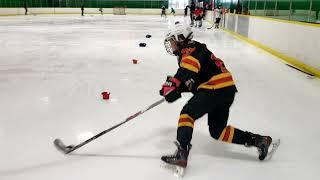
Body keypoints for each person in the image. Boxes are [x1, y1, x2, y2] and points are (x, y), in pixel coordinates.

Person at [160, 21, 273, 170]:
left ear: (180, 37)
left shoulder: (189, 49)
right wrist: (176, 88)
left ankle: (182, 154)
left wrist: (174, 81)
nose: (171, 45)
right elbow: (193, 78)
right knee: (218, 131)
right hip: (226, 90)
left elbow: (189, 67)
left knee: (187, 114)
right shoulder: (193, 50)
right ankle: (258, 140)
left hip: (214, 87)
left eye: (173, 40)